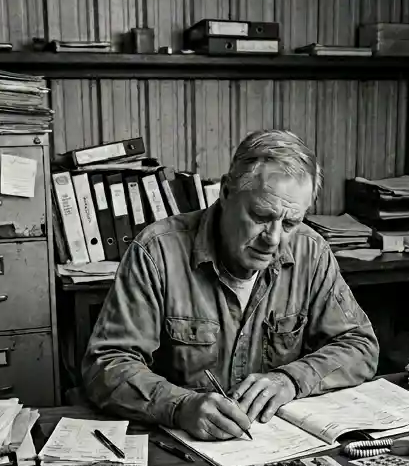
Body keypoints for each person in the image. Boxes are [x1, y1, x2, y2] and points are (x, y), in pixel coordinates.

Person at [82, 129, 380, 441]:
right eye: (261, 216)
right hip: (180, 447)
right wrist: (180, 406)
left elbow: (360, 346)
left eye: (290, 223)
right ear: (225, 192)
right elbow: (106, 365)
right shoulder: (157, 252)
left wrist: (291, 380)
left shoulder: (312, 252)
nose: (274, 239)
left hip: (275, 444)